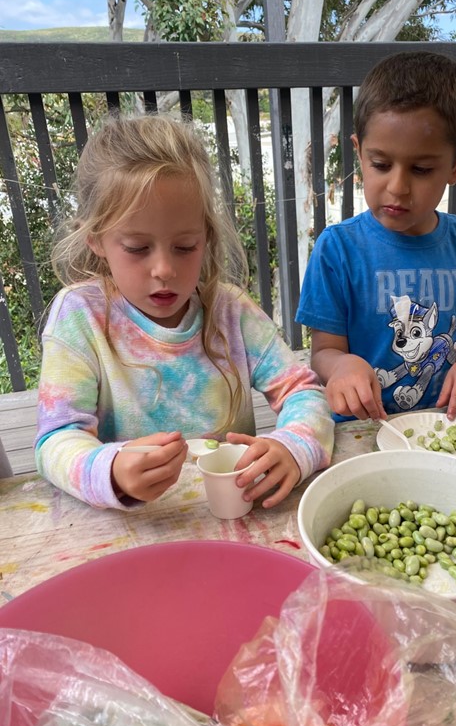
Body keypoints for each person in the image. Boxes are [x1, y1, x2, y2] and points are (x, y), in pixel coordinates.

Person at [35, 114, 334, 510]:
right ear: (96, 239)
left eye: (185, 246)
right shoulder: (79, 317)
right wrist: (108, 469)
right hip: (137, 528)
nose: (164, 269)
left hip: (234, 516)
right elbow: (56, 438)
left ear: (206, 236)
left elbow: (303, 391)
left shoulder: (231, 311)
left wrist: (293, 446)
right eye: (138, 248)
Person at [296, 51, 456, 423]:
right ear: (359, 153)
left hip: (450, 425)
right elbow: (324, 350)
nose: (397, 187)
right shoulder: (338, 249)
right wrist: (342, 366)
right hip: (363, 430)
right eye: (380, 164)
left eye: (422, 169)